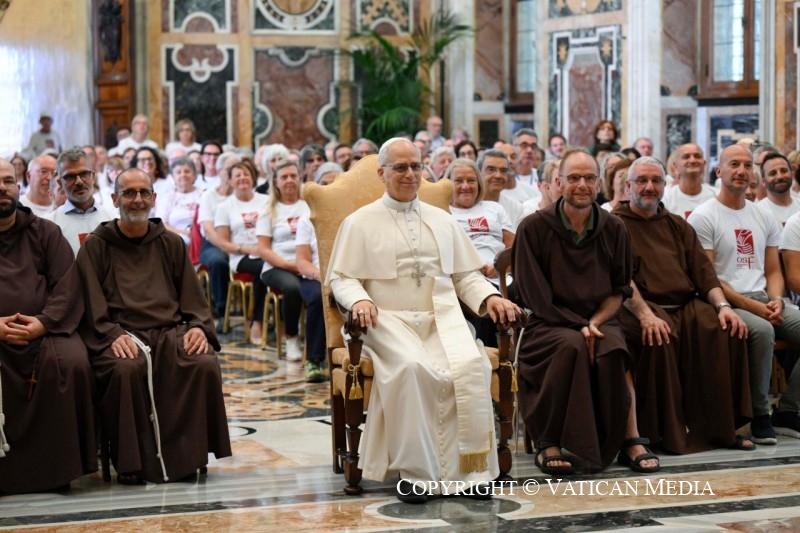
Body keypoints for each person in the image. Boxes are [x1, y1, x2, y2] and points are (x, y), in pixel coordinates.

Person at [327, 137, 520, 503]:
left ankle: (472, 471)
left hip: (440, 320)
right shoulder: (359, 222)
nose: (410, 174)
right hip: (385, 322)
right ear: (382, 174)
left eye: (416, 166)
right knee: (412, 368)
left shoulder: (443, 220)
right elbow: (343, 279)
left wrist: (491, 297)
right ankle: (415, 474)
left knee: (472, 365)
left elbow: (464, 276)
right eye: (400, 167)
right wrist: (361, 300)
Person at [74, 168, 231, 485]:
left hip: (169, 333)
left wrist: (198, 327)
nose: (137, 200)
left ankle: (188, 457)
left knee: (203, 363)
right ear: (115, 199)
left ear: (154, 198)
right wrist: (111, 334)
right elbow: (90, 303)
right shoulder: (96, 245)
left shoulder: (171, 243)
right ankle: (131, 462)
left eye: (144, 193)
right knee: (125, 369)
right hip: (120, 335)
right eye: (129, 193)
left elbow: (193, 299)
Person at [512, 148, 659, 475]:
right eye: (574, 178)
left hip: (601, 319)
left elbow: (619, 289)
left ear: (599, 184)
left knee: (614, 348)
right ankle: (548, 441)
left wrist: (594, 322)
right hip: (548, 323)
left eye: (589, 178)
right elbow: (535, 296)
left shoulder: (614, 228)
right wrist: (579, 325)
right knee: (571, 346)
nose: (582, 185)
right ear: (559, 183)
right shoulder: (533, 228)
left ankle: (629, 438)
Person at [613, 156, 753, 454]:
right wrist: (646, 315)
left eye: (656, 181)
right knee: (658, 335)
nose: (649, 187)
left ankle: (722, 429)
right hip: (640, 307)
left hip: (686, 305)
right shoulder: (615, 225)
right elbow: (621, 279)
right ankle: (664, 434)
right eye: (642, 181)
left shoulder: (677, 224)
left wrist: (723, 307)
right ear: (628, 186)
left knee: (725, 329)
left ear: (665, 185)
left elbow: (704, 273)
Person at [688, 143, 800, 445]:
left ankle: (788, 411)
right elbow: (708, 277)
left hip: (764, 299)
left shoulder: (762, 214)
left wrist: (776, 300)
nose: (741, 171)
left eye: (747, 165)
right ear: (719, 171)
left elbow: (773, 271)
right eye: (734, 164)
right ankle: (759, 415)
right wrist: (752, 306)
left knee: (777, 322)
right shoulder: (704, 216)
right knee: (762, 331)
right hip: (724, 302)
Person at [0, 157, 96, 495]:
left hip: (45, 327)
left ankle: (59, 469)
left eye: (7, 181)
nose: (1, 188)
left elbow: (67, 286)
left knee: (72, 363)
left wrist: (42, 323)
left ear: (18, 187)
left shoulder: (45, 232)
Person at [447, 158, 514, 348]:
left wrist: (502, 267)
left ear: (479, 183)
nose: (465, 186)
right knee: (482, 297)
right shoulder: (444, 212)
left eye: (471, 180)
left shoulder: (495, 208)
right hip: (465, 274)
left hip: (501, 272)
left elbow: (513, 246)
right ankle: (491, 353)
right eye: (458, 181)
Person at [256, 159, 312, 361]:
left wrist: (304, 265)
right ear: (275, 182)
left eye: (293, 176)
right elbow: (263, 249)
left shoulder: (309, 205)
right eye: (284, 177)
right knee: (293, 288)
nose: (289, 180)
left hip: (308, 263)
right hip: (277, 266)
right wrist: (290, 265)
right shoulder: (268, 210)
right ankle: (291, 338)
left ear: (300, 178)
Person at [214, 160, 269, 343]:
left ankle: (284, 323)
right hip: (241, 256)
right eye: (237, 175)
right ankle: (257, 322)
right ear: (230, 181)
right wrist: (247, 249)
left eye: (246, 174)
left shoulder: (266, 201)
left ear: (253, 178)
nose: (242, 178)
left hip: (267, 251)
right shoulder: (225, 207)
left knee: (275, 265)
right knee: (263, 267)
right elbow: (223, 242)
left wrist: (264, 249)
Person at [45, 147, 116, 255]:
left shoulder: (112, 220)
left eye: (84, 174)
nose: (79, 182)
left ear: (93, 176)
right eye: (70, 176)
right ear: (60, 183)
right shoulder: (49, 225)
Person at [156, 157, 203, 245]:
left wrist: (195, 233)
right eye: (178, 172)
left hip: (201, 236)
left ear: (194, 175)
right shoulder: (167, 198)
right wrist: (183, 233)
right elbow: (161, 223)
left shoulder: (203, 195)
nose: (183, 175)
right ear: (173, 177)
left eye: (187, 171)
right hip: (175, 238)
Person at [663, 143, 716, 219]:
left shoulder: (716, 196)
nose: (692, 160)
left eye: (697, 156)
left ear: (704, 163)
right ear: (675, 165)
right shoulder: (665, 197)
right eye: (686, 157)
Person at [756, 152, 800, 226]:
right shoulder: (758, 212)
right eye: (773, 173)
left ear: (791, 173)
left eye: (784, 171)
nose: (780, 177)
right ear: (763, 181)